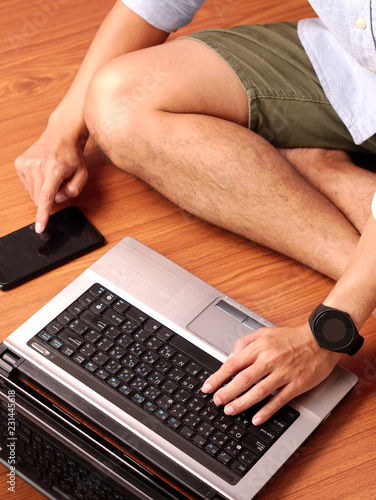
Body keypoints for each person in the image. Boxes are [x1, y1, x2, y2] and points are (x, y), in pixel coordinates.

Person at [14, 0, 376, 426]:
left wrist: (326, 335)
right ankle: (356, 263)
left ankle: (327, 181)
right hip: (350, 66)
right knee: (118, 99)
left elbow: (325, 339)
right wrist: (61, 131)